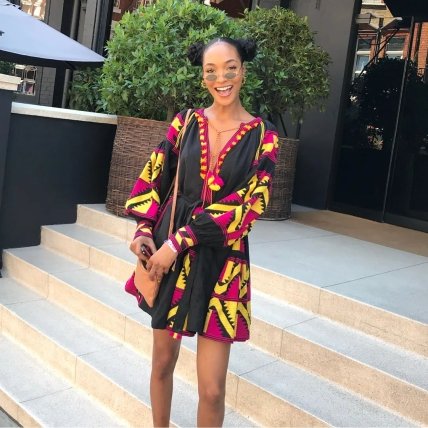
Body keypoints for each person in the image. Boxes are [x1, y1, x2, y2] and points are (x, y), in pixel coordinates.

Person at [125, 37, 279, 427]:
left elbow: (251, 203)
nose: (221, 79)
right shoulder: (186, 122)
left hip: (223, 263)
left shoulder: (265, 136)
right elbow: (155, 176)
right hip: (168, 259)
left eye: (230, 68)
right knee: (162, 362)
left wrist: (179, 242)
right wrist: (144, 230)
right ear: (203, 77)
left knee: (212, 389)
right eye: (211, 71)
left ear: (243, 70)